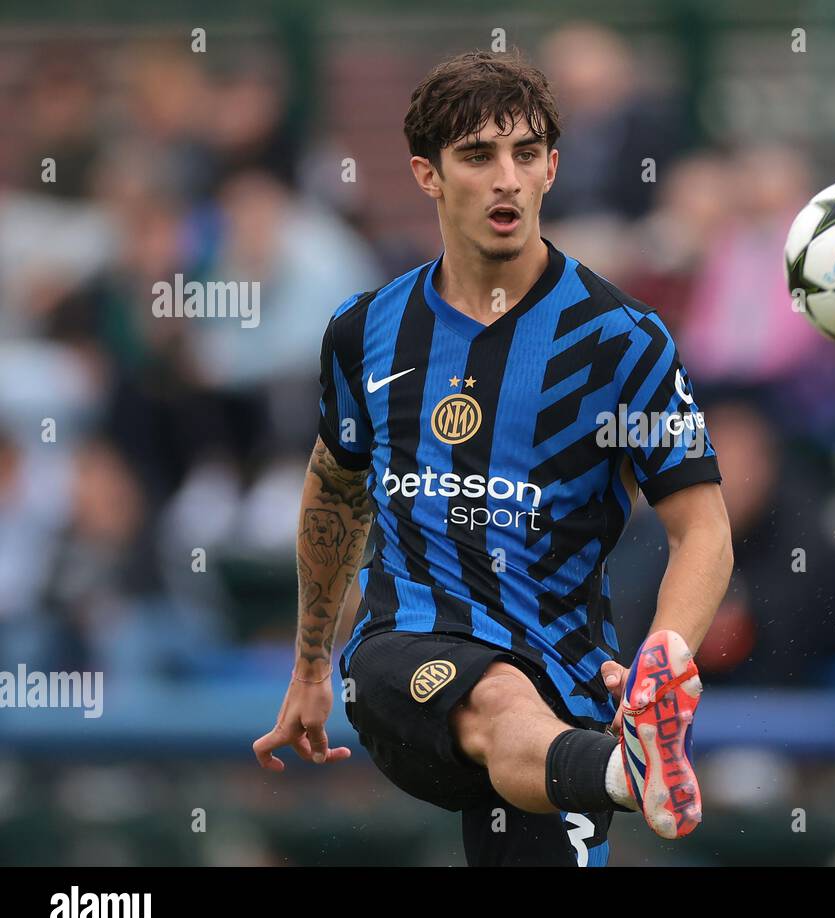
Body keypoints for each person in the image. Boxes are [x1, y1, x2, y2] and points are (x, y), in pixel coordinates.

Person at [252, 50, 733, 866]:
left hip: (572, 694)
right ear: (428, 174)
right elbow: (335, 495)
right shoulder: (364, 330)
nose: (505, 178)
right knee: (495, 696)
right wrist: (309, 667)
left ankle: (619, 763)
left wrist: (665, 653)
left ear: (552, 167)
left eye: (525, 154)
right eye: (477, 156)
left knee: (529, 729)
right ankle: (626, 772)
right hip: (405, 652)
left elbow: (704, 530)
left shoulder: (625, 343)